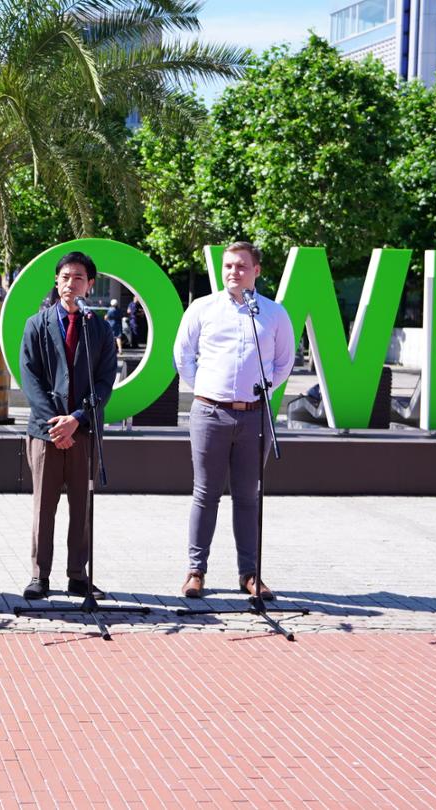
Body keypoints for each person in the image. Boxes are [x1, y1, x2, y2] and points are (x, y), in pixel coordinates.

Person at [172, 241, 294, 601]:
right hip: (210, 413)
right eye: (228, 266)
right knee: (205, 493)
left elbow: (284, 362)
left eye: (241, 266)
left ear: (257, 271)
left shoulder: (273, 314)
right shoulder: (203, 308)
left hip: (255, 417)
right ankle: (196, 572)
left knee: (248, 497)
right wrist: (207, 389)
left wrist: (260, 390)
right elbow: (182, 354)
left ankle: (250, 574)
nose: (233, 272)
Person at [17, 252, 119, 600]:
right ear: (56, 281)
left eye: (78, 278)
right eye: (64, 277)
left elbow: (104, 382)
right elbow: (29, 378)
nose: (69, 284)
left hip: (84, 431)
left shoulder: (100, 328)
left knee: (82, 505)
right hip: (45, 434)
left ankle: (78, 574)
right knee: (44, 506)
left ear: (90, 285)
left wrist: (77, 418)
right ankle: (38, 575)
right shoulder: (37, 324)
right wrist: (55, 426)